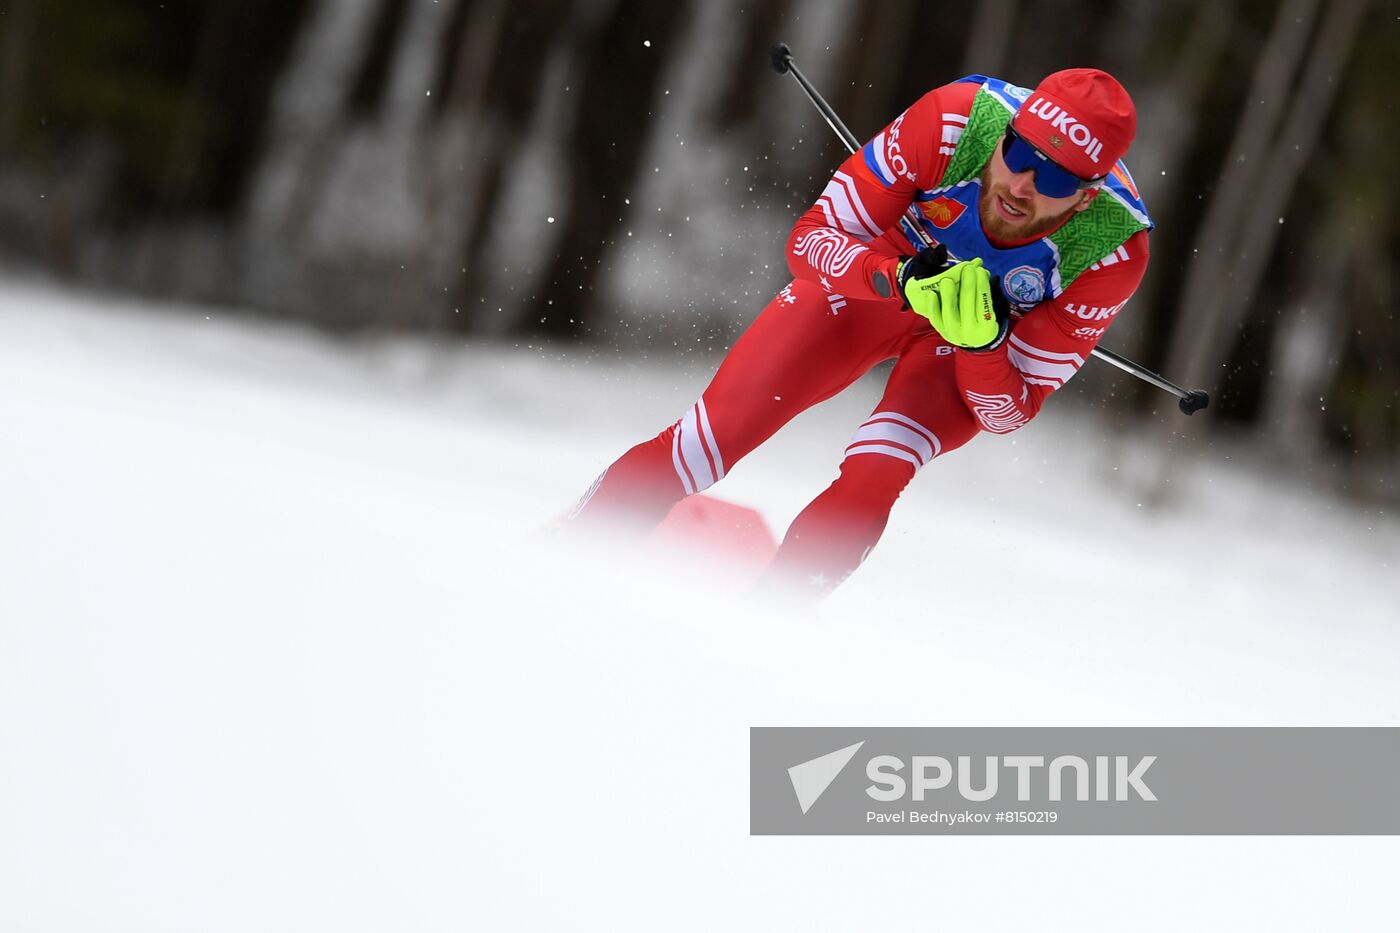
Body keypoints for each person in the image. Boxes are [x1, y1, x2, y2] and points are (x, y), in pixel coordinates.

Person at [568, 68, 1152, 597]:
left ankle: (770, 622)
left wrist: (983, 344)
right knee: (714, 435)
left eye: (1052, 178)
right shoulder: (955, 121)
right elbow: (810, 241)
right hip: (881, 277)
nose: (1021, 184)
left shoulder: (1111, 250)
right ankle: (563, 563)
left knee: (879, 470)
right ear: (1003, 134)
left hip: (967, 345)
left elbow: (1008, 412)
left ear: (1086, 197)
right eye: (1019, 153)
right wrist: (892, 276)